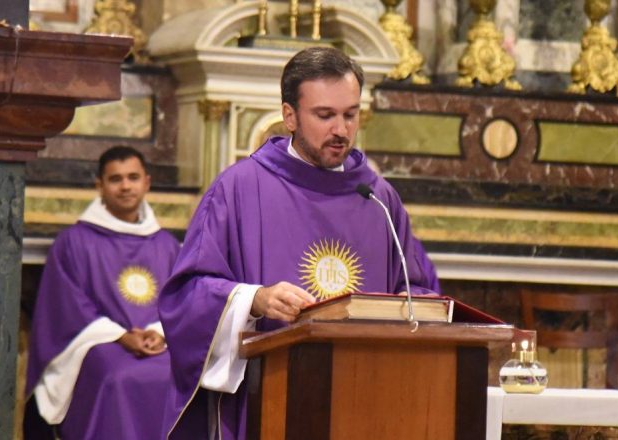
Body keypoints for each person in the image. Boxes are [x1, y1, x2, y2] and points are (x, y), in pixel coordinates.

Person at [159, 47, 440, 440]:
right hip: (268, 398)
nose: (340, 130)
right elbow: (186, 296)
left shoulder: (377, 197)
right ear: (289, 116)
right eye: (325, 115)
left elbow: (419, 292)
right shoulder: (240, 188)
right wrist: (253, 300)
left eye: (350, 114)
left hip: (366, 396)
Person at [25, 146, 180, 439]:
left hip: (159, 342)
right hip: (96, 343)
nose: (125, 186)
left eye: (133, 178)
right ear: (99, 185)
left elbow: (179, 301)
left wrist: (159, 331)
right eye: (115, 179)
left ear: (146, 182)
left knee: (181, 374)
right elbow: (67, 306)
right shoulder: (73, 242)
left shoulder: (167, 245)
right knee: (118, 377)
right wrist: (121, 336)